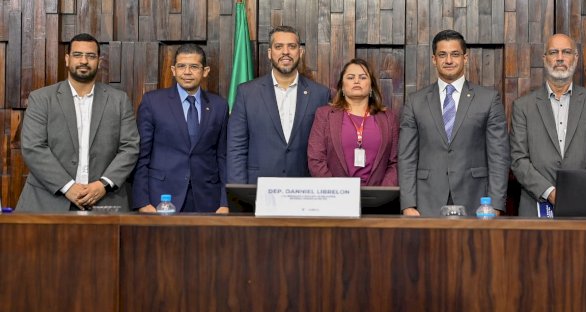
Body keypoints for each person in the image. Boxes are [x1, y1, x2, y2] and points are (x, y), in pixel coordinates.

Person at [16, 33, 139, 212]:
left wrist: (103, 185)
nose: (84, 61)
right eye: (77, 55)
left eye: (90, 56)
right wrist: (67, 186)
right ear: (67, 59)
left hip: (105, 201)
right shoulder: (41, 99)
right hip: (48, 202)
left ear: (99, 61)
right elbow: (33, 147)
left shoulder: (119, 100)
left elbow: (130, 147)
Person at [398, 29, 510, 217]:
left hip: (476, 200)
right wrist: (408, 204)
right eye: (442, 55)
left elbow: (499, 156)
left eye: (455, 54)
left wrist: (496, 205)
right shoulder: (415, 102)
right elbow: (406, 157)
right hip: (426, 201)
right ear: (434, 59)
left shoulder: (488, 99)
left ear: (465, 58)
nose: (449, 60)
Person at [510, 33, 586, 217]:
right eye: (553, 52)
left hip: (585, 202)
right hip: (535, 205)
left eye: (566, 52)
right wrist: (549, 192)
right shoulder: (523, 106)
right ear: (544, 59)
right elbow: (518, 159)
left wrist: (580, 187)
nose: (559, 58)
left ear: (575, 58)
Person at [132, 44, 229, 213]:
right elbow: (142, 155)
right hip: (161, 198)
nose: (187, 72)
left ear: (205, 71)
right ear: (173, 70)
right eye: (181, 66)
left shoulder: (219, 105)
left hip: (208, 199)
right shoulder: (153, 102)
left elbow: (223, 157)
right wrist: (142, 201)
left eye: (194, 67)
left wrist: (225, 202)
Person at [227, 25, 330, 184]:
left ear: (300, 52)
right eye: (278, 46)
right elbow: (236, 149)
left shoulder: (320, 94)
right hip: (257, 188)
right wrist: (238, 193)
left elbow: (325, 149)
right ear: (269, 53)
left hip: (304, 189)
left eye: (292, 46)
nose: (285, 52)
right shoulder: (247, 93)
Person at [307, 58, 399, 185]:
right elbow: (316, 159)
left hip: (379, 200)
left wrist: (383, 192)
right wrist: (337, 192)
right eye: (350, 78)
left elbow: (395, 162)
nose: (356, 81)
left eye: (362, 77)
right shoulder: (324, 115)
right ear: (342, 87)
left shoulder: (389, 118)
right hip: (336, 198)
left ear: (371, 85)